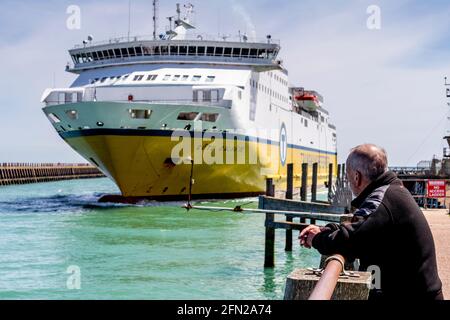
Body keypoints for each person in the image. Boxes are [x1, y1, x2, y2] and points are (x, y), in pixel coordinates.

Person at [299, 144, 443, 300]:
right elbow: (361, 228)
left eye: (348, 176)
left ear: (356, 176)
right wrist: (324, 230)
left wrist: (316, 239)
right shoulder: (391, 192)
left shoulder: (381, 200)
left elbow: (351, 240)